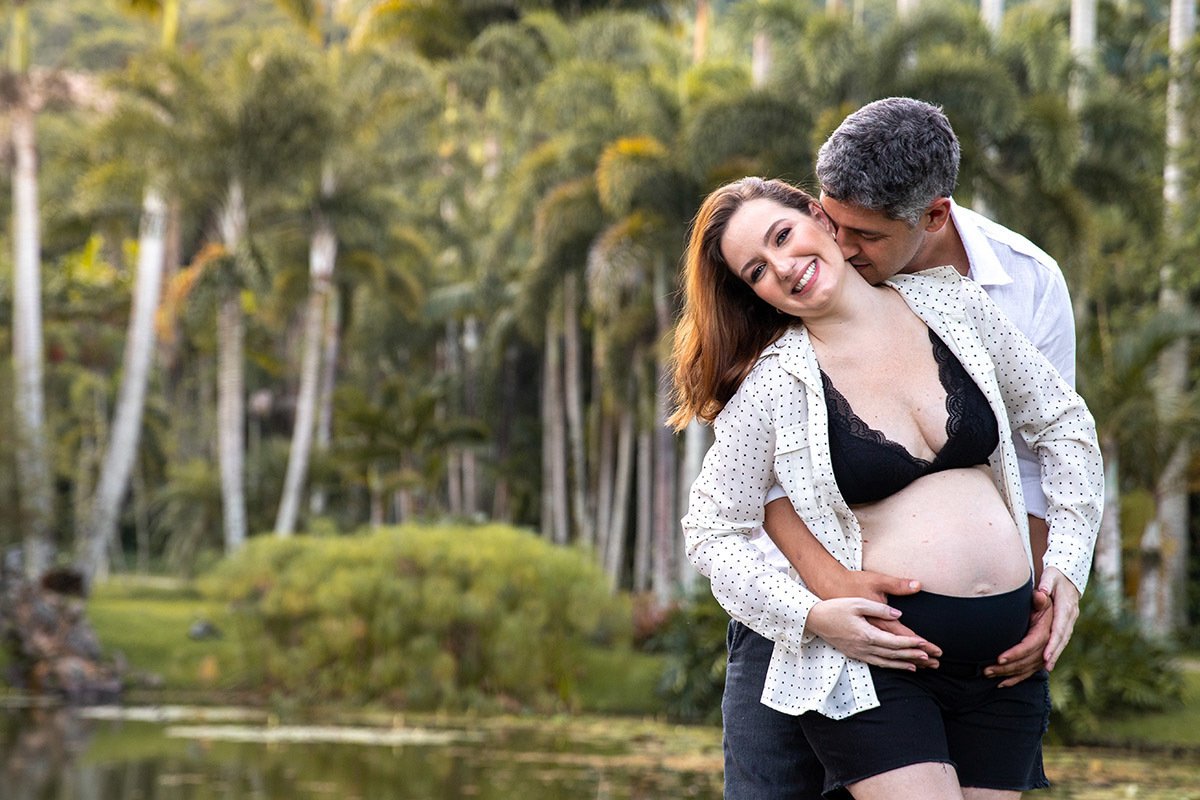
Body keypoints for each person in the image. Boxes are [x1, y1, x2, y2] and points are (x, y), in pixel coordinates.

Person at [672, 177, 1103, 799]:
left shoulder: (955, 305)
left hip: (1003, 670)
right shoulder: (774, 384)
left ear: (819, 216)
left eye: (783, 236)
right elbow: (714, 529)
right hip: (877, 670)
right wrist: (813, 616)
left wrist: (1066, 565)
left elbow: (1063, 423)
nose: (784, 268)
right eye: (758, 270)